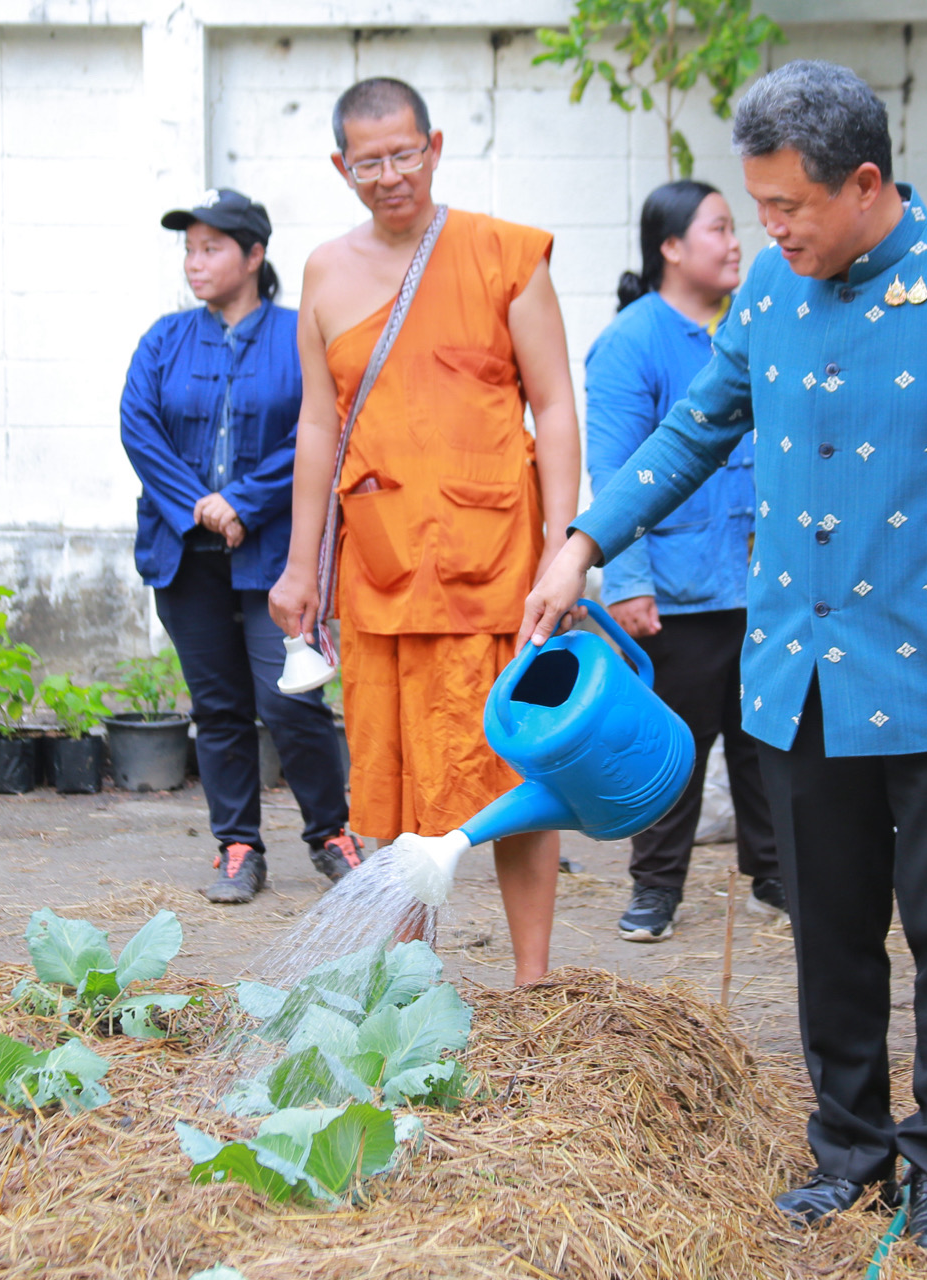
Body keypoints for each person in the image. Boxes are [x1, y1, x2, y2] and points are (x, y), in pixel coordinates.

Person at [520, 62, 927, 1249]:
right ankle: (849, 1146)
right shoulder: (770, 290)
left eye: (791, 208)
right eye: (757, 209)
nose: (770, 231)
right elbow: (693, 428)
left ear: (867, 184)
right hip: (800, 683)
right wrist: (585, 544)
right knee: (829, 927)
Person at [268, 78, 581, 986]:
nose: (392, 174)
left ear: (435, 146)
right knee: (393, 785)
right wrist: (299, 569)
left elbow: (555, 406)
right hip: (382, 566)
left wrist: (566, 548)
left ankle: (533, 980)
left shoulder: (504, 255)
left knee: (522, 773)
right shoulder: (325, 271)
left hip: (499, 566)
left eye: (406, 153)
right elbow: (319, 427)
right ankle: (411, 981)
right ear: (342, 167)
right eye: (370, 161)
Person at [120, 189, 360, 905]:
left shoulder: (299, 334)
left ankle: (330, 834)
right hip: (185, 555)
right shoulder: (165, 339)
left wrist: (245, 502)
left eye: (212, 248)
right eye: (189, 249)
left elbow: (324, 428)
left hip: (275, 555)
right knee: (218, 706)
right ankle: (237, 845)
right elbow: (139, 426)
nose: (196, 262)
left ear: (255, 255)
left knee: (291, 700)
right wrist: (200, 507)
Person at [586, 179, 781, 943]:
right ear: (670, 248)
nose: (736, 243)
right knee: (675, 748)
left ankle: (775, 875)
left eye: (736, 229)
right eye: (719, 229)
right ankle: (655, 888)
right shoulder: (633, 341)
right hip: (676, 590)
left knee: (767, 739)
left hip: (763, 585)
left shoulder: (756, 325)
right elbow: (617, 470)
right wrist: (627, 580)